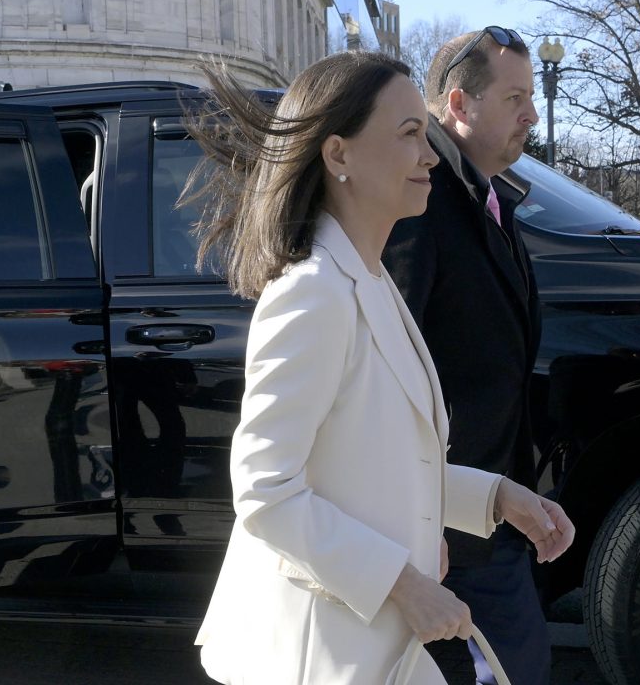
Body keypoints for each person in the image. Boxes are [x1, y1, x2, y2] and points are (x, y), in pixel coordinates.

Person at [186, 51, 574, 685]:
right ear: (338, 156)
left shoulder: (368, 279)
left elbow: (372, 460)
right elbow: (266, 492)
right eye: (408, 134)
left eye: (424, 133)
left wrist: (495, 496)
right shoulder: (312, 292)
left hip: (369, 647)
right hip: (320, 654)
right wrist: (406, 587)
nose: (428, 156)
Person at [381, 27, 552, 685]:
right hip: (453, 527)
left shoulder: (487, 196)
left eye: (531, 96)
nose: (531, 114)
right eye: (514, 97)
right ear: (458, 102)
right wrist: (423, 522)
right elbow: (390, 369)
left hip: (487, 509)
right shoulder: (418, 200)